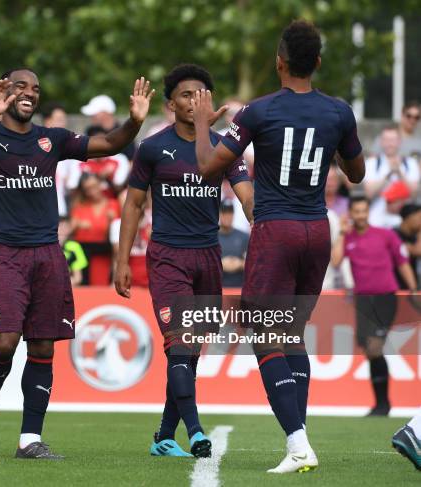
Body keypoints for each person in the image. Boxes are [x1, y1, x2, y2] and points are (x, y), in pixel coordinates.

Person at [0, 67, 154, 459]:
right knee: (5, 341)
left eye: (36, 88)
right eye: (21, 86)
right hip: (5, 251)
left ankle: (30, 440)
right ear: (4, 91)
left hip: (47, 252)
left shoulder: (51, 139)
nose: (30, 93)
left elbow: (108, 143)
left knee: (42, 346)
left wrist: (134, 121)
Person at [192, 20, 365, 473]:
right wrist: (336, 147)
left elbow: (210, 168)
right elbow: (358, 174)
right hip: (317, 231)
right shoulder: (339, 112)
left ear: (279, 62)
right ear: (319, 63)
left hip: (277, 230)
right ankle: (299, 441)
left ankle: (298, 443)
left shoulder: (258, 111)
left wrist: (200, 126)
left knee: (265, 334)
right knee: (291, 335)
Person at [115, 64, 253, 458]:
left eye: (201, 94)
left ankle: (163, 436)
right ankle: (195, 432)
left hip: (208, 257)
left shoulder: (226, 147)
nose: (194, 101)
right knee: (181, 341)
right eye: (186, 95)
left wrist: (260, 221)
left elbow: (245, 194)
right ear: (170, 103)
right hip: (167, 256)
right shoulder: (154, 148)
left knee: (189, 352)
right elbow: (134, 205)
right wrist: (122, 260)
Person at [331, 196, 416, 416]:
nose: (361, 215)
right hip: (363, 301)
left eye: (364, 211)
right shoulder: (348, 238)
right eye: (356, 211)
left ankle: (383, 405)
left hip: (385, 298)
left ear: (369, 212)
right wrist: (341, 232)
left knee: (375, 347)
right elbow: (336, 261)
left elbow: (402, 261)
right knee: (369, 351)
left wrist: (414, 288)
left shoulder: (385, 235)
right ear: (351, 214)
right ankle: (380, 403)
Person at [70, 173, 120, 285]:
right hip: (83, 251)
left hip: (106, 249)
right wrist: (77, 225)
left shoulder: (112, 204)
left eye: (95, 186)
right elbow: (70, 230)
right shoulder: (80, 207)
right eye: (88, 189)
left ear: (100, 185)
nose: (93, 191)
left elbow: (116, 232)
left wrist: (111, 221)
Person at [365, 126, 420, 228]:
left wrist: (399, 172)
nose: (390, 144)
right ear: (381, 142)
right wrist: (388, 173)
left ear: (399, 142)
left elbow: (414, 194)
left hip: (404, 223)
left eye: (393, 140)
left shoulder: (411, 163)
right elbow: (369, 193)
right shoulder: (371, 163)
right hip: (376, 221)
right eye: (386, 140)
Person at [81, 94, 136, 160]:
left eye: (94, 113)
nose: (92, 116)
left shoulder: (125, 134)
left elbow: (131, 161)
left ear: (105, 113)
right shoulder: (90, 131)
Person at [219, 199, 249, 288]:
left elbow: (253, 263)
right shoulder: (212, 237)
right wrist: (220, 264)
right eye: (224, 213)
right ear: (219, 214)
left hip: (239, 287)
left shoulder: (244, 237)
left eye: (230, 213)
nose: (227, 216)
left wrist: (239, 264)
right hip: (218, 288)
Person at [394, 203, 421, 288]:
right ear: (410, 217)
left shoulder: (414, 236)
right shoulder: (394, 235)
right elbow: (418, 251)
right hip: (397, 285)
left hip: (412, 285)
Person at [58, 218, 87, 286]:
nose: (62, 230)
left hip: (68, 286)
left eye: (65, 227)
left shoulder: (74, 247)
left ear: (69, 230)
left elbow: (78, 278)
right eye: (59, 227)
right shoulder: (46, 246)